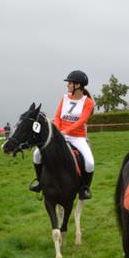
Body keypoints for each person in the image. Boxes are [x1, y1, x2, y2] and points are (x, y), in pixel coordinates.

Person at [29, 70, 95, 200]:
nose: (67, 85)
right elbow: (58, 116)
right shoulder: (64, 98)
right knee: (36, 154)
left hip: (77, 137)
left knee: (89, 162)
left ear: (78, 85)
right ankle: (40, 182)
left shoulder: (88, 102)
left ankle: (84, 188)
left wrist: (66, 131)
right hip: (60, 134)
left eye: (70, 83)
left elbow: (81, 121)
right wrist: (58, 131)